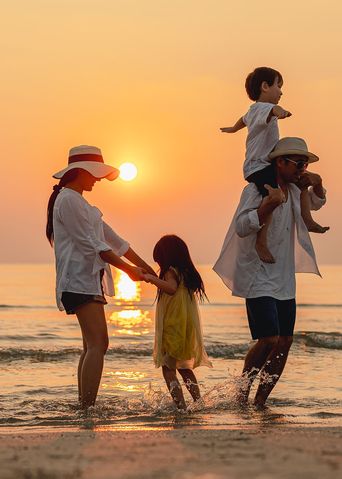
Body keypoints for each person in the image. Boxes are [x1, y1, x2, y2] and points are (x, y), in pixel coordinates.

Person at [213, 137, 327, 408]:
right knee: (268, 339)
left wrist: (318, 182)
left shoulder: (295, 190)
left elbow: (317, 202)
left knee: (285, 341)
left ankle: (260, 401)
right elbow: (242, 226)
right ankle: (241, 394)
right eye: (298, 163)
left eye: (305, 163)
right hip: (258, 275)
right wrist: (268, 205)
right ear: (280, 162)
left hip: (285, 279)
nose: (302, 168)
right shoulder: (256, 189)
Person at [46, 145, 155, 409]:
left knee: (91, 346)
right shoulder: (69, 200)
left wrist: (147, 267)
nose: (97, 179)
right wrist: (129, 271)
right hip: (78, 281)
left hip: (87, 280)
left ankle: (84, 406)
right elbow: (93, 246)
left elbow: (114, 240)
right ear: (80, 171)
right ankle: (87, 407)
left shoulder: (81, 203)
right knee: (99, 344)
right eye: (94, 174)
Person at [220, 66, 328, 263]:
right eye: (278, 85)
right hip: (258, 167)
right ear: (265, 86)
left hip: (263, 165)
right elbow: (274, 110)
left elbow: (242, 121)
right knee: (274, 197)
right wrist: (282, 112)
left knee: (302, 183)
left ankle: (308, 220)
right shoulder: (263, 109)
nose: (281, 91)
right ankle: (261, 241)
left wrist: (233, 129)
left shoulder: (252, 112)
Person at [144, 235, 212, 411]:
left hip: (173, 325)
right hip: (185, 326)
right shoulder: (187, 273)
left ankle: (181, 406)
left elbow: (171, 289)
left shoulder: (170, 272)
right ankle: (198, 403)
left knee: (168, 367)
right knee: (184, 368)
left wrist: (151, 279)